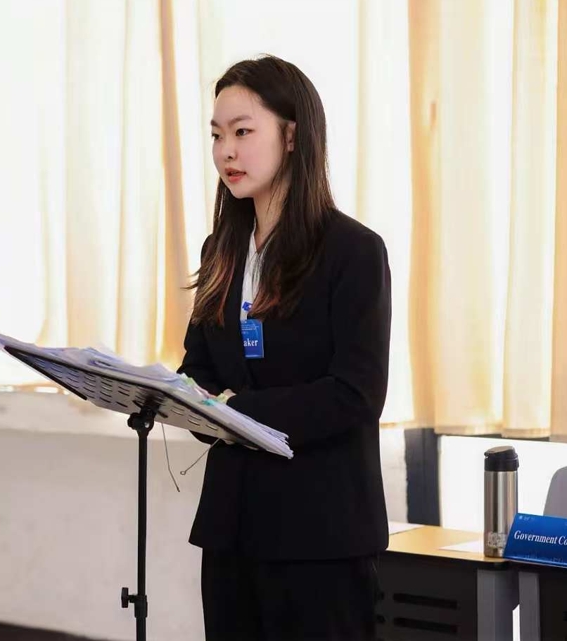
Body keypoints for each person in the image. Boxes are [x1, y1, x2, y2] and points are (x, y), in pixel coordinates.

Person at [179, 55, 391, 640]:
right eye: (217, 135)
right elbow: (196, 368)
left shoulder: (353, 251)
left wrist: (232, 411)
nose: (226, 152)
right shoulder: (221, 250)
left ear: (292, 136)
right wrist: (195, 401)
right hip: (232, 527)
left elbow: (355, 393)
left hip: (321, 532)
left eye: (243, 132)